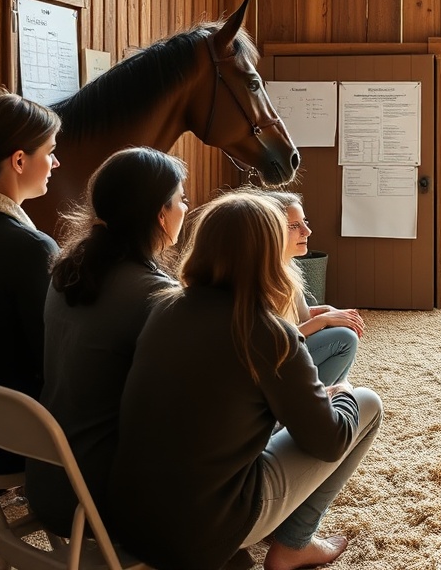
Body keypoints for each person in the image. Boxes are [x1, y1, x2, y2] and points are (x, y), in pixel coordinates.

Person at [108, 191, 383, 570]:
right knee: (367, 404)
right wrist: (343, 395)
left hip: (126, 519)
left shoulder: (164, 307)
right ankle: (295, 544)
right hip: (205, 530)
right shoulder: (266, 331)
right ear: (270, 252)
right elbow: (330, 441)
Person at [24, 147, 188, 535]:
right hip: (102, 500)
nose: (187, 208)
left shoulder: (66, 274)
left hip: (47, 480)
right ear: (160, 214)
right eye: (182, 199)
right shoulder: (154, 294)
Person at [0, 89, 61, 474]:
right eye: (49, 151)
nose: (56, 162)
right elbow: (51, 353)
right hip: (14, 441)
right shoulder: (30, 247)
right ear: (19, 160)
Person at [266, 191, 364, 385]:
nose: (307, 231)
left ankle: (331, 391)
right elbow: (273, 342)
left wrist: (327, 311)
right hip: (270, 365)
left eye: (305, 222)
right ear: (271, 230)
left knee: (344, 329)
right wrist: (323, 320)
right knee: (344, 339)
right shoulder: (263, 276)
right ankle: (314, 403)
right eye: (294, 226)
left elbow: (296, 317)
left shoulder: (287, 266)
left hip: (286, 352)